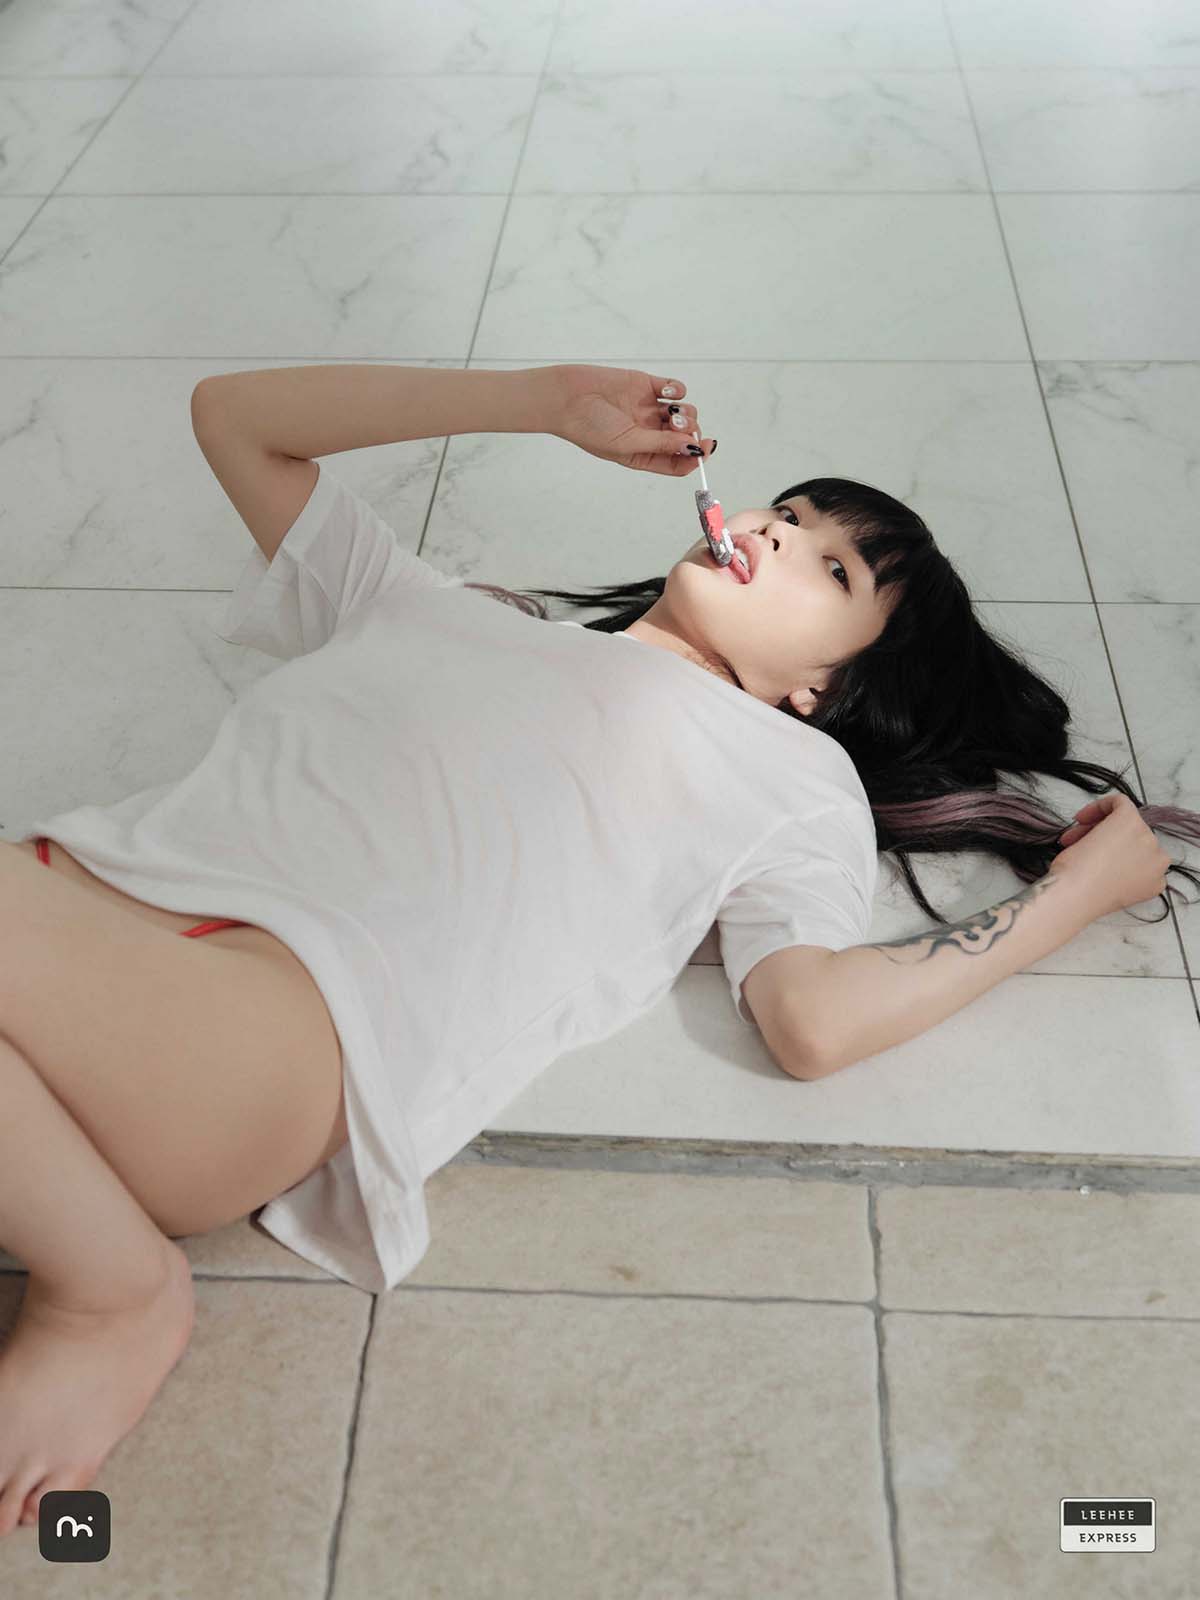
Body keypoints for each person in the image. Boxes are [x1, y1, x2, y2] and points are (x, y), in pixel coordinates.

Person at [0, 362, 1195, 1536]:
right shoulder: (437, 606)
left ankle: (114, 1292)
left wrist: (1072, 898)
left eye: (831, 567)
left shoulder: (786, 775)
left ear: (820, 688)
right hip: (77, 893)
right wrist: (540, 401)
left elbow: (813, 1019)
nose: (777, 534)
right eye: (787, 513)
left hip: (266, 1025)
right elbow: (235, 416)